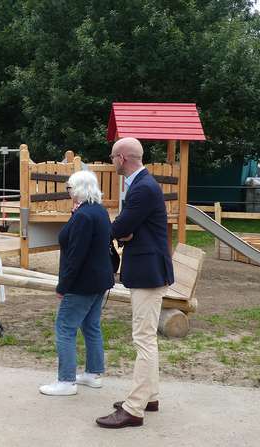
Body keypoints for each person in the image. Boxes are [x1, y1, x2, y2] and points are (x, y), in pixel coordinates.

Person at [96, 137, 174, 428]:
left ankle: (134, 408)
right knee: (146, 338)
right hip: (149, 269)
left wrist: (122, 232)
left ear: (122, 158)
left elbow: (121, 227)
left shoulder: (142, 188)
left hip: (148, 272)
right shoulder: (143, 185)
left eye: (112, 157)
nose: (111, 161)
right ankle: (149, 396)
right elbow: (127, 229)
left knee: (143, 340)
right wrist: (126, 232)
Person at [39, 170, 114, 396]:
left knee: (65, 327)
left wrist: (63, 287)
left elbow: (76, 255)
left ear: (79, 189)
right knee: (91, 325)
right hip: (100, 280)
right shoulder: (98, 211)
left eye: (69, 188)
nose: (68, 192)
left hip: (82, 283)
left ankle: (66, 381)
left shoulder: (83, 216)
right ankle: (93, 373)